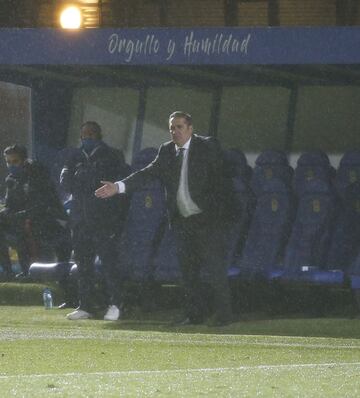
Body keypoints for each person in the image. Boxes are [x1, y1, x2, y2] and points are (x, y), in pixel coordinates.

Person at [96, 111, 234, 326]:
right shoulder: (167, 151)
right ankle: (194, 315)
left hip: (208, 221)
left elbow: (223, 183)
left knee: (215, 270)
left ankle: (225, 315)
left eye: (179, 127)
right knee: (188, 273)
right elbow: (147, 173)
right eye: (172, 128)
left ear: (190, 128)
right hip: (183, 221)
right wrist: (119, 186)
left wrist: (219, 215)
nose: (175, 132)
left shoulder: (207, 147)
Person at [61, 121, 130, 321]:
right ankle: (85, 305)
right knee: (83, 265)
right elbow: (66, 182)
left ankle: (116, 304)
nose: (86, 138)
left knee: (109, 264)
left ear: (99, 135)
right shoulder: (74, 156)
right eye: (83, 135)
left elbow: (111, 185)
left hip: (103, 220)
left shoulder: (112, 155)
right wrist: (85, 180)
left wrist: (85, 180)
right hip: (80, 220)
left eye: (91, 134)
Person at [0, 144, 71, 279]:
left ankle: (30, 271)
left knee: (26, 224)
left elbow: (40, 206)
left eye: (15, 161)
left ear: (24, 161)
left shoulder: (37, 174)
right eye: (8, 162)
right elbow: (10, 205)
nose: (11, 165)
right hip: (25, 218)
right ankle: (8, 272)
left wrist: (16, 216)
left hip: (50, 219)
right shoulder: (11, 180)